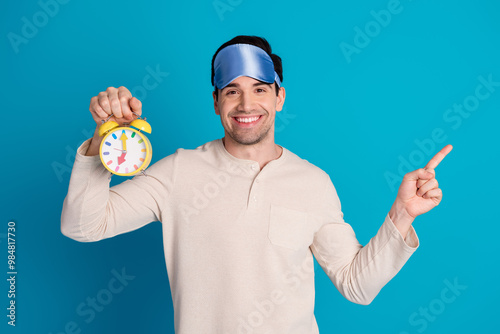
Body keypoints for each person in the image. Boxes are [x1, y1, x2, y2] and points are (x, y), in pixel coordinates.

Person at [61, 35, 452, 333]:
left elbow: (357, 285)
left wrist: (402, 214)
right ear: (216, 102)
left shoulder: (313, 182)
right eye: (232, 90)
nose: (246, 105)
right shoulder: (178, 171)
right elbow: (83, 226)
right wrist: (104, 140)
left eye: (259, 89)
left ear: (279, 97)